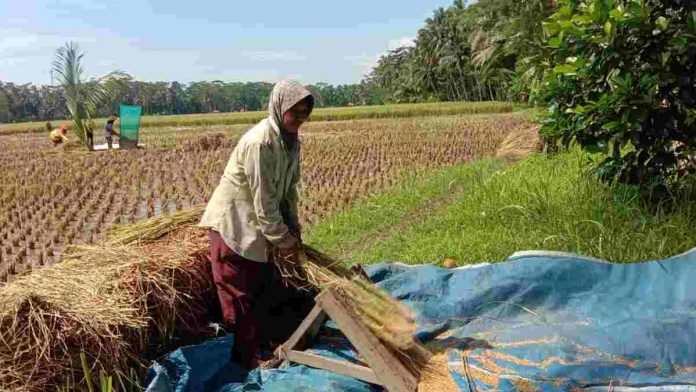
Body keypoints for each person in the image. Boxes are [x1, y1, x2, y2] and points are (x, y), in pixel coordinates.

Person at [199, 80, 314, 370]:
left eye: (305, 111)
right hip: (234, 227)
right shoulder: (259, 142)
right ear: (278, 108)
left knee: (262, 288)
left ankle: (261, 346)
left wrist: (294, 230)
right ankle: (246, 360)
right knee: (240, 296)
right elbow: (263, 203)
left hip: (257, 227)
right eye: (294, 110)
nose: (300, 117)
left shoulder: (290, 141)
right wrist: (284, 242)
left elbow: (288, 191)